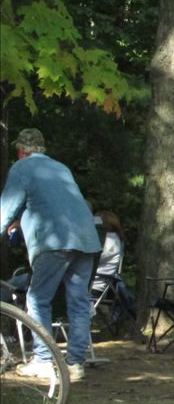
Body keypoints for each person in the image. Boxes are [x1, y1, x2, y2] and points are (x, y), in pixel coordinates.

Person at [0, 128, 102, 381]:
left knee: (37, 299)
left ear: (22, 150)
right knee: (79, 302)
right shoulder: (60, 168)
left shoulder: (22, 168)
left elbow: (6, 208)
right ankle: (76, 364)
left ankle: (43, 360)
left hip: (54, 241)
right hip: (87, 239)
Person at [92, 209, 125, 290]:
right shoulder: (114, 239)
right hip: (94, 283)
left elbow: (94, 259)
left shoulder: (110, 241)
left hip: (95, 285)